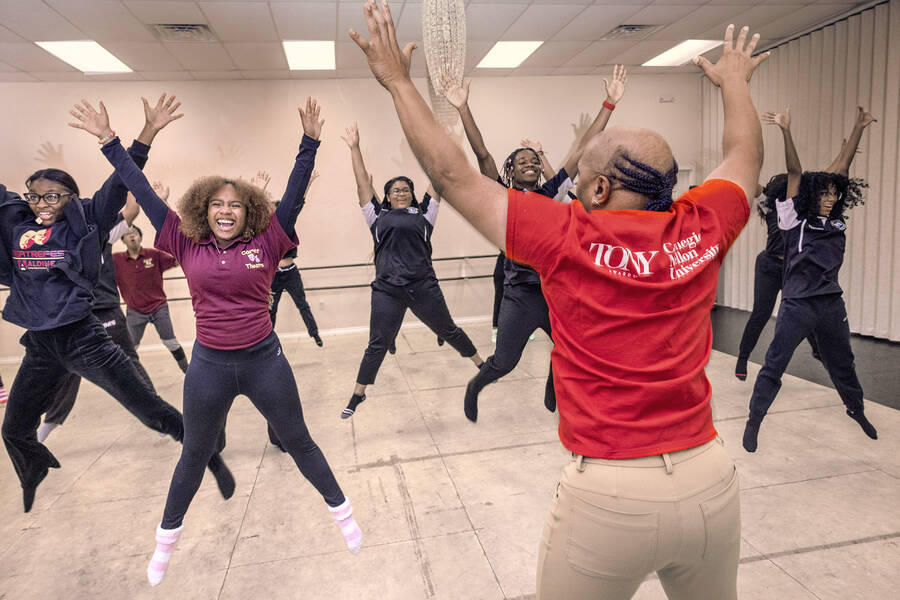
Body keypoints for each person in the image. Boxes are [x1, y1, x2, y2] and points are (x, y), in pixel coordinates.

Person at [351, 4, 767, 597]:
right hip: (709, 479)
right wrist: (734, 84)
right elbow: (745, 155)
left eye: (581, 176)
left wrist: (397, 81)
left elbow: (452, 177)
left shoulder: (565, 234)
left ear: (599, 188)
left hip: (611, 496)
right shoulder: (702, 225)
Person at [72, 96, 361, 585]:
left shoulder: (268, 239)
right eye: (217, 204)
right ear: (203, 211)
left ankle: (343, 514)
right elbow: (137, 185)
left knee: (298, 440)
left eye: (235, 205)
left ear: (249, 213)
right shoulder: (183, 240)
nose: (226, 210)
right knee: (195, 452)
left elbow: (293, 195)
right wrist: (109, 140)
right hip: (208, 367)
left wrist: (310, 143)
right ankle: (165, 541)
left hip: (264, 362)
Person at [0, 94, 233, 513]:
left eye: (53, 196)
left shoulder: (87, 221)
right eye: (34, 196)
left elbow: (123, 179)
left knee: (149, 409)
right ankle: (33, 468)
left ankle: (208, 456)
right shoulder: (17, 225)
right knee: (14, 429)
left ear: (70, 198)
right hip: (40, 344)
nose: (41, 204)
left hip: (83, 338)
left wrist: (144, 131)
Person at [439, 65, 628, 421]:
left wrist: (609, 103)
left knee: (575, 348)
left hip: (556, 291)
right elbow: (483, 155)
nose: (530, 164)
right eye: (521, 161)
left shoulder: (551, 191)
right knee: (504, 362)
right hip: (520, 296)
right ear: (511, 171)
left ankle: (552, 387)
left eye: (534, 160)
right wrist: (463, 107)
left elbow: (583, 151)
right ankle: (475, 385)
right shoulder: (501, 197)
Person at [742, 105, 878, 452]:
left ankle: (856, 409)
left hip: (830, 304)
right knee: (774, 364)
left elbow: (841, 170)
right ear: (810, 196)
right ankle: (754, 419)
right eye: (825, 194)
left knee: (843, 363)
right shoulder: (792, 220)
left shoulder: (835, 218)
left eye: (835, 194)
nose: (831, 199)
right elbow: (795, 171)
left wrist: (859, 127)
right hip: (798, 305)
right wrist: (785, 130)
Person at [339, 121, 484, 419]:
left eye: (406, 189)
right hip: (387, 291)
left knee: (448, 329)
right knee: (377, 344)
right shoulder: (376, 215)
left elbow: (438, 177)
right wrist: (355, 148)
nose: (401, 193)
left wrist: (445, 144)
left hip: (423, 287)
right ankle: (358, 393)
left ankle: (482, 366)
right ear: (388, 196)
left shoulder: (425, 212)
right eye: (396, 190)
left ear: (411, 194)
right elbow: (362, 184)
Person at [34, 190, 160, 444]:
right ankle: (47, 425)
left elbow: (131, 211)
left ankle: (157, 414)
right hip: (73, 316)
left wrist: (130, 181)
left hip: (106, 310)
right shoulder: (54, 239)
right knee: (67, 371)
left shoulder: (102, 233)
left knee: (128, 362)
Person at [734, 176, 820, 380]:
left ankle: (818, 349)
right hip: (769, 266)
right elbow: (755, 187)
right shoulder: (770, 207)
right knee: (761, 313)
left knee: (803, 309)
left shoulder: (802, 211)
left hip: (792, 268)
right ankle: (742, 358)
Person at [114, 205, 190, 373]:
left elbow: (177, 260)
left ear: (140, 237)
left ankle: (188, 371)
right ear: (123, 240)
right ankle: (130, 377)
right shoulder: (116, 260)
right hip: (134, 311)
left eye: (135, 233)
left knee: (171, 342)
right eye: (127, 234)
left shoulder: (153, 255)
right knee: (130, 347)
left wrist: (183, 244)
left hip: (158, 308)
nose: (132, 236)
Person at [253, 169, 324, 347]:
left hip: (291, 272)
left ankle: (314, 333)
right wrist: (259, 191)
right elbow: (252, 212)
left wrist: (307, 185)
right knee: (271, 309)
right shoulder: (263, 230)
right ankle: (268, 341)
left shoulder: (286, 227)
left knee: (302, 304)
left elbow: (296, 204)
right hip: (274, 275)